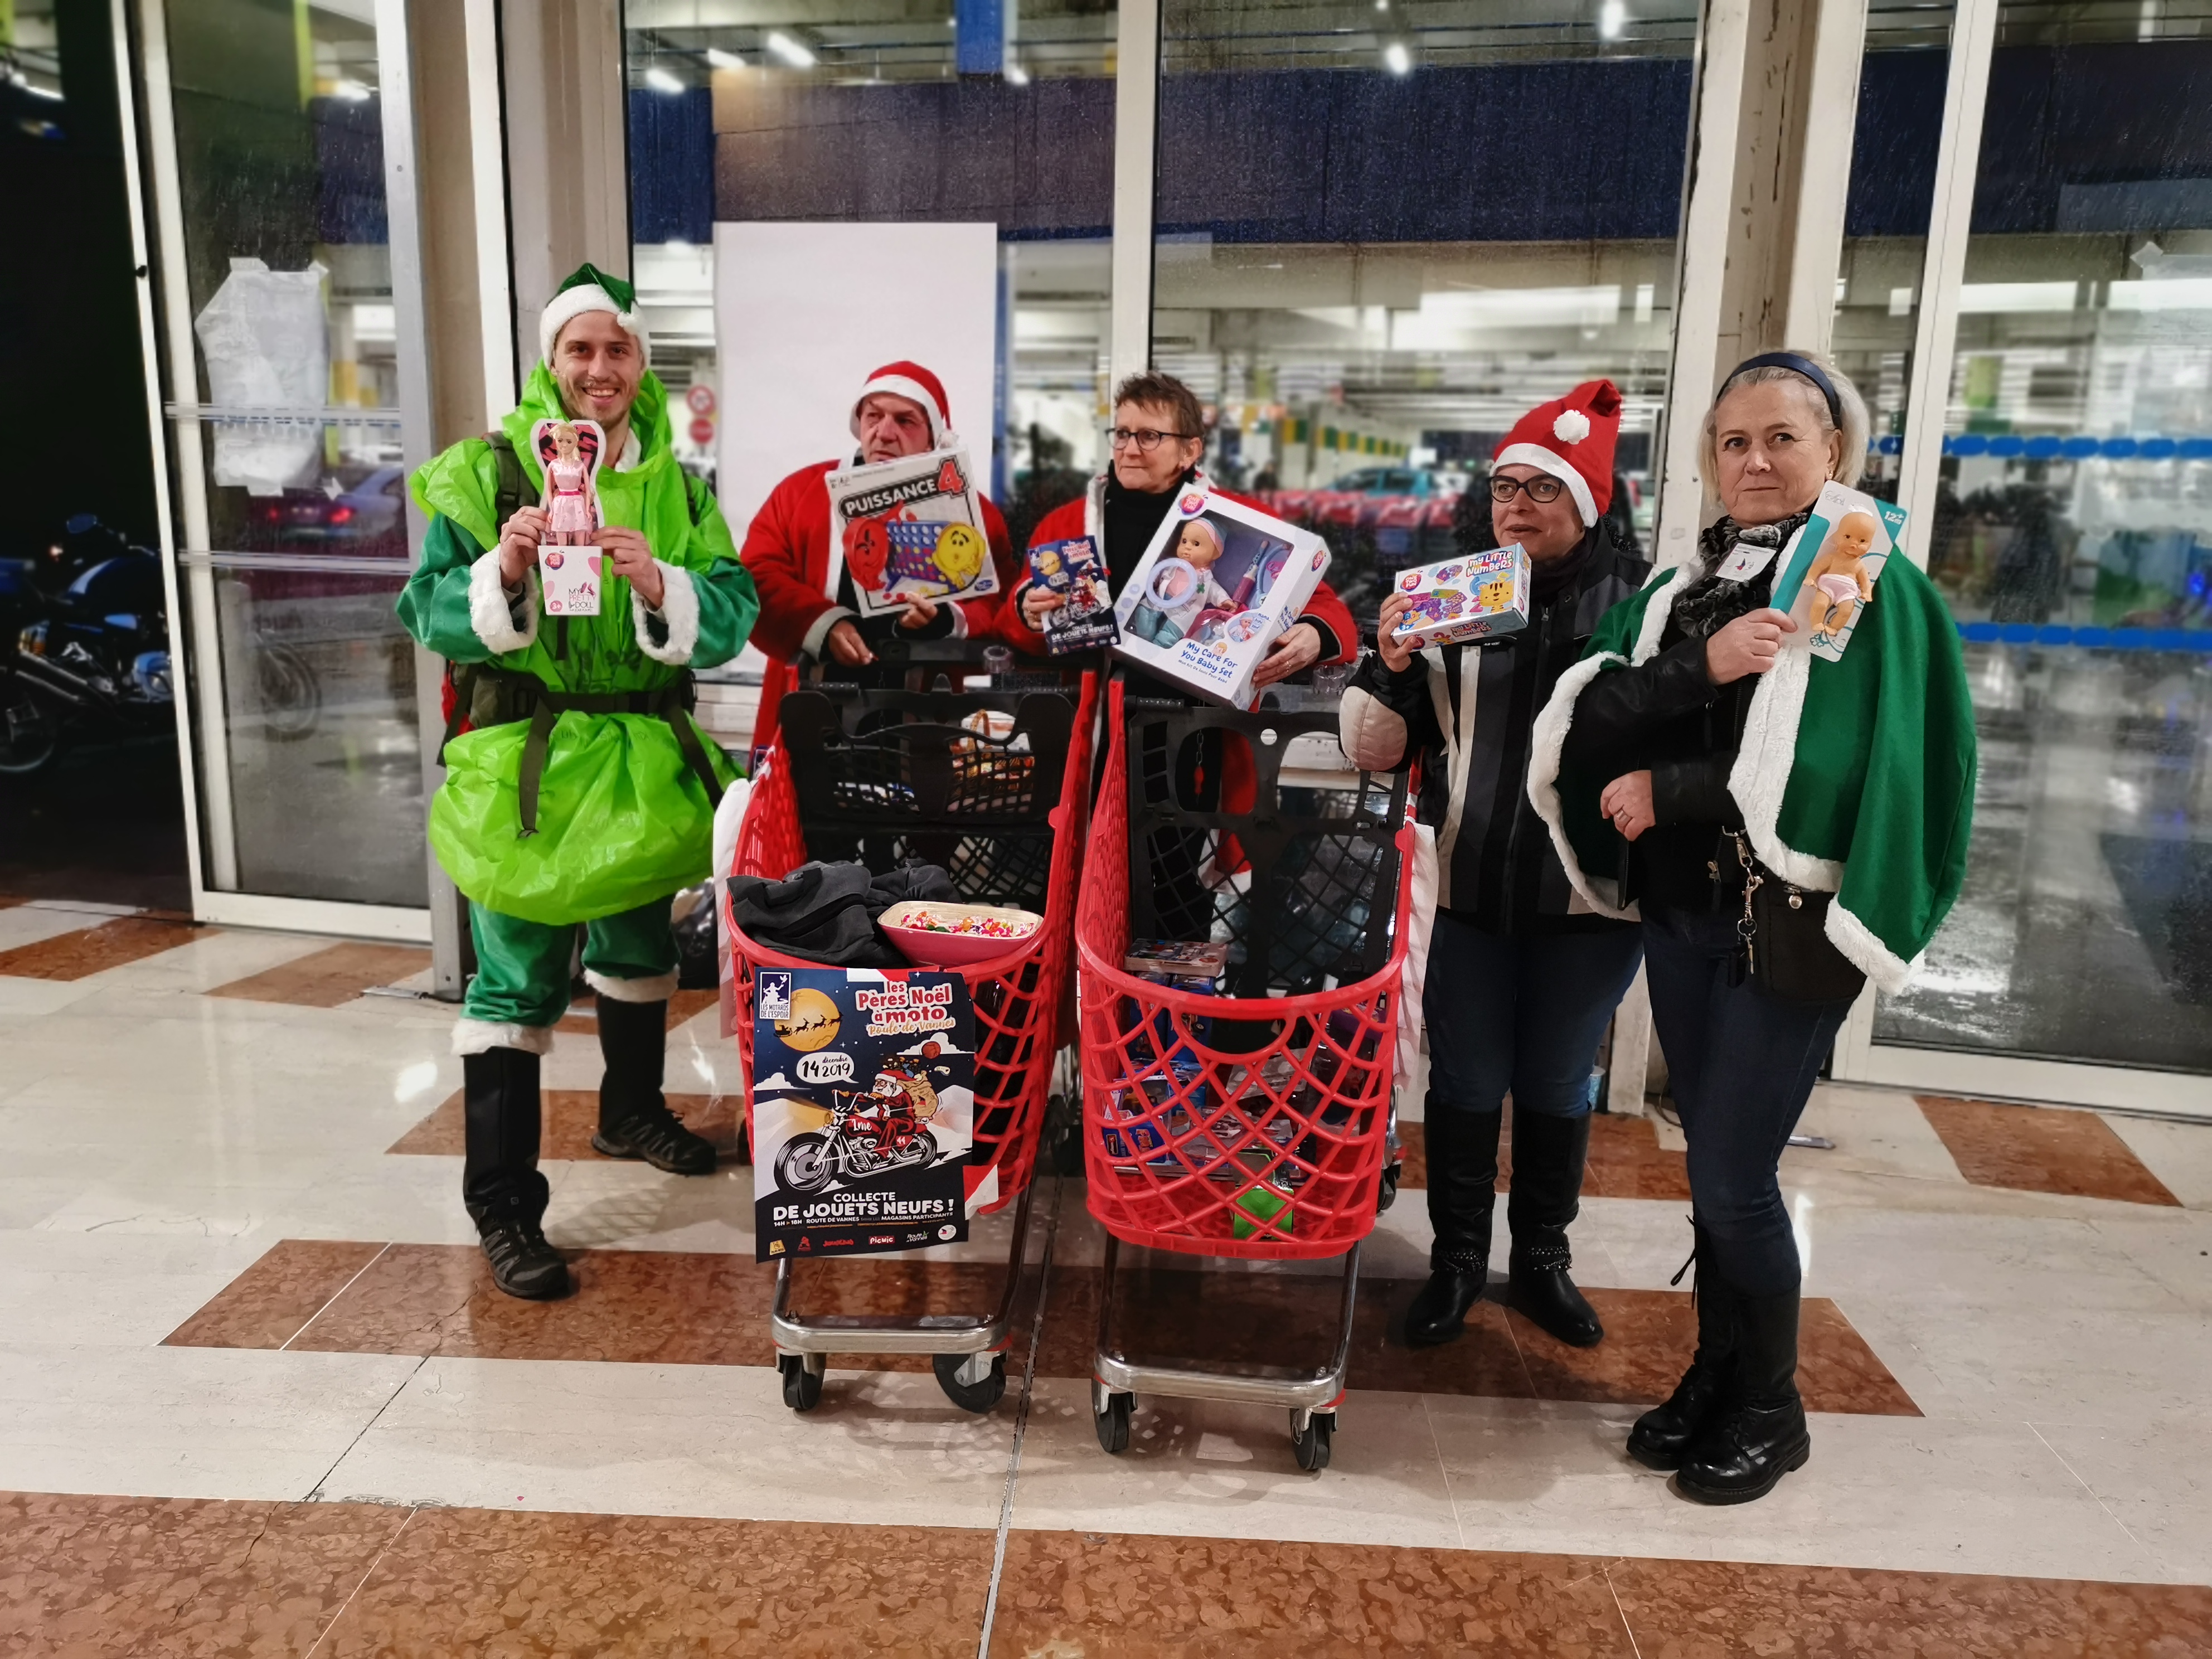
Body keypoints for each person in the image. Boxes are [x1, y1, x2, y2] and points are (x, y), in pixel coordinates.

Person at [1529, 350, 1976, 1503]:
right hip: (1685, 917)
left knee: (1732, 1176)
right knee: (1713, 1172)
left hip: (1787, 925)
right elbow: (1594, 715)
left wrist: (1670, 789)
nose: (1756, 461)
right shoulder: (1684, 589)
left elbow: (1842, 765)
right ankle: (1718, 1374)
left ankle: (1773, 1412)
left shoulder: (1870, 587)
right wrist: (1702, 665)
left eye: (1782, 437)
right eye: (1734, 441)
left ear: (1834, 450)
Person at [399, 263, 761, 1302]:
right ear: (550, 362)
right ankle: (504, 1204)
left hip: (642, 764)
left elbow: (730, 608)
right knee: (513, 983)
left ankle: (630, 1111)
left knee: (640, 948)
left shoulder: (679, 488)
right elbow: (424, 607)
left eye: (618, 350)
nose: (600, 369)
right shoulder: (487, 472)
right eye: (580, 349)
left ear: (641, 365)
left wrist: (663, 583)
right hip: (525, 764)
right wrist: (502, 573)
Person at [1338, 381, 1652, 1352]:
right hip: (1467, 887)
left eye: (1542, 489)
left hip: (1588, 897)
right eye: (1504, 487)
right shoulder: (1451, 597)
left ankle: (1544, 1260)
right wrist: (1389, 663)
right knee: (1467, 1081)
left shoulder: (1643, 608)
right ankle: (1458, 1261)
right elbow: (1372, 749)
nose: (1516, 505)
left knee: (1557, 1082)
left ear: (1587, 503)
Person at [1002, 371, 1357, 688]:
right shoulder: (1065, 525)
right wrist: (1029, 613)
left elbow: (1326, 608)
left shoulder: (1249, 521)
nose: (1129, 449)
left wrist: (1315, 634)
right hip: (1089, 723)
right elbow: (1010, 625)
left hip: (1198, 725)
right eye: (1122, 434)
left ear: (1189, 450)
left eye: (1149, 436)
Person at [740, 362, 1021, 744]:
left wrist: (945, 620)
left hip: (925, 723)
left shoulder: (975, 514)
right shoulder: (799, 493)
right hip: (811, 709)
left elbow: (1000, 605)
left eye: (905, 421)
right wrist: (822, 624)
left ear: (933, 437)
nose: (885, 433)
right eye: (874, 416)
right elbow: (755, 576)